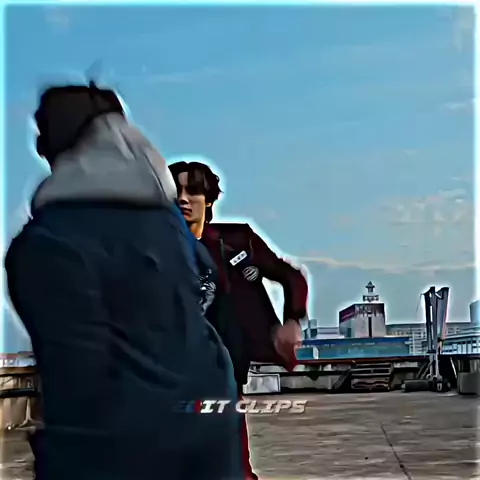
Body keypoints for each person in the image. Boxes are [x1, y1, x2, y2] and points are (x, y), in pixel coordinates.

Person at [4, 84, 242, 480]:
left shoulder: (48, 241)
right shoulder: (168, 223)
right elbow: (205, 280)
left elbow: (78, 379)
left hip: (121, 446)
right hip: (210, 418)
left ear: (46, 147)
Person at [168, 160, 309, 480]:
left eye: (193, 191)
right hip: (170, 374)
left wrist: (291, 320)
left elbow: (291, 277)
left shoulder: (236, 242)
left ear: (209, 200)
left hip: (223, 371)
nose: (184, 199)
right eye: (177, 191)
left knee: (232, 464)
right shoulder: (154, 249)